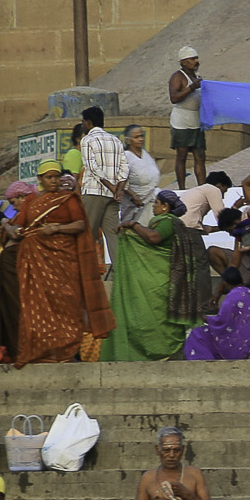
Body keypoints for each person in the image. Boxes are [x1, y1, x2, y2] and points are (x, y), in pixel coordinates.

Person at [100, 192, 192, 360]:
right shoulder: (168, 222)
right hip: (162, 276)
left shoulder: (167, 221)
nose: (154, 206)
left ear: (165, 207)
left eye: (157, 203)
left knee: (157, 316)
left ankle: (161, 349)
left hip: (162, 278)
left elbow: (153, 237)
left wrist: (134, 225)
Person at [75, 105, 129, 268]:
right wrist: (118, 189)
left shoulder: (87, 140)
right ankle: (122, 275)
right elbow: (125, 168)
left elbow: (92, 167)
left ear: (89, 123)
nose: (82, 126)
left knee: (87, 236)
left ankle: (84, 274)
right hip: (112, 197)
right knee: (114, 237)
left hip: (93, 192)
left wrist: (112, 187)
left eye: (83, 122)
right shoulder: (116, 140)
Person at [184, 265, 250, 360]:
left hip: (236, 345)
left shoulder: (231, 297)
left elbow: (220, 322)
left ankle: (204, 361)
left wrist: (203, 317)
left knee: (197, 333)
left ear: (225, 283)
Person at [167, 47, 205, 188]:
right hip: (182, 122)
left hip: (196, 120)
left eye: (196, 58)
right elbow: (174, 98)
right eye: (192, 59)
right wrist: (191, 88)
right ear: (183, 62)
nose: (196, 61)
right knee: (182, 156)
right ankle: (182, 188)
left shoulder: (197, 76)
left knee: (200, 156)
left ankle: (202, 187)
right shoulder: (178, 77)